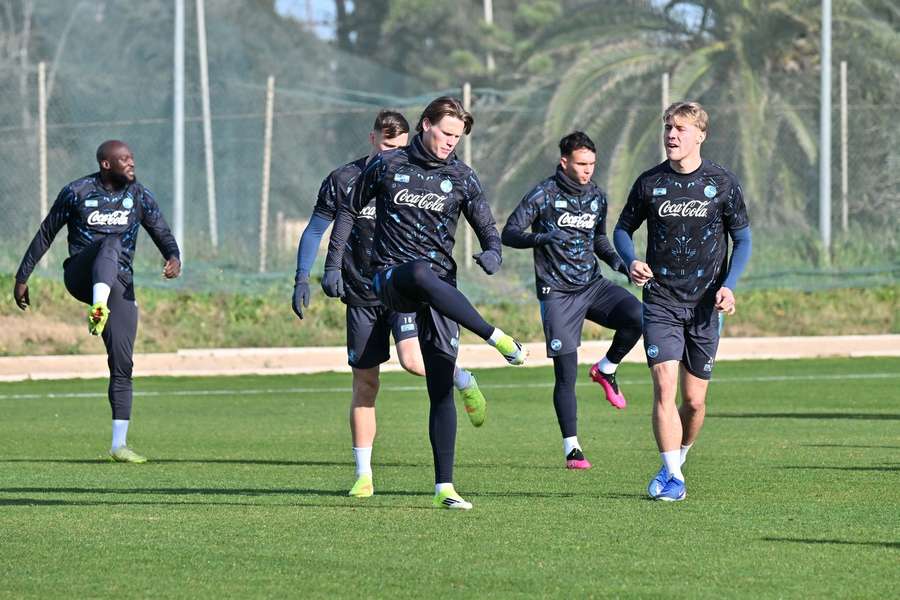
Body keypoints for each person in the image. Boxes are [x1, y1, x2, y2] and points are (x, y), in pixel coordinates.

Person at [323, 96, 527, 510]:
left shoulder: (463, 178)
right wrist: (332, 266)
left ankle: (444, 489)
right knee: (417, 272)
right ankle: (497, 338)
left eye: (458, 137)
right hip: (389, 278)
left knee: (439, 388)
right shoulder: (388, 165)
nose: (451, 142)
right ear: (425, 125)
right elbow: (348, 210)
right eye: (446, 133)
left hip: (439, 290)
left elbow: (489, 229)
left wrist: (492, 254)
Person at [291, 110, 487, 499]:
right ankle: (363, 474)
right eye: (387, 146)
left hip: (402, 288)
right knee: (366, 382)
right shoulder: (346, 179)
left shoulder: (423, 176)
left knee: (415, 362)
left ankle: (462, 378)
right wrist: (304, 275)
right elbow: (317, 228)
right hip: (362, 292)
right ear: (372, 140)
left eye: (399, 148)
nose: (393, 154)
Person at [613, 102, 752, 501]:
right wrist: (631, 261)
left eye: (681, 129)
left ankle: (678, 458)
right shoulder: (649, 183)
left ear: (700, 135)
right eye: (668, 128)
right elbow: (623, 230)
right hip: (660, 302)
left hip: (706, 306)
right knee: (663, 388)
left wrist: (730, 284)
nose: (672, 135)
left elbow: (741, 238)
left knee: (693, 402)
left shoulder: (722, 183)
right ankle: (673, 477)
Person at [13, 140, 181, 463]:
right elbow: (46, 232)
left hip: (118, 283)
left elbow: (161, 231)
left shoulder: (139, 196)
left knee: (123, 362)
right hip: (81, 275)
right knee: (110, 243)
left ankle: (119, 444)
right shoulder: (77, 192)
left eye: (132, 158)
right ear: (106, 164)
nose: (132, 163)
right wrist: (22, 277)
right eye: (124, 159)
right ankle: (98, 306)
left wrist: (173, 257)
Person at [502, 131, 642, 470]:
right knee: (565, 374)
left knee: (639, 316)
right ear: (564, 162)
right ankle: (573, 448)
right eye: (581, 164)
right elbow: (510, 232)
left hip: (592, 285)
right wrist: (542, 237)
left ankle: (606, 369)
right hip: (558, 293)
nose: (587, 170)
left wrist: (622, 266)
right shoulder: (543, 194)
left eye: (592, 164)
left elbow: (599, 240)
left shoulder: (597, 197)